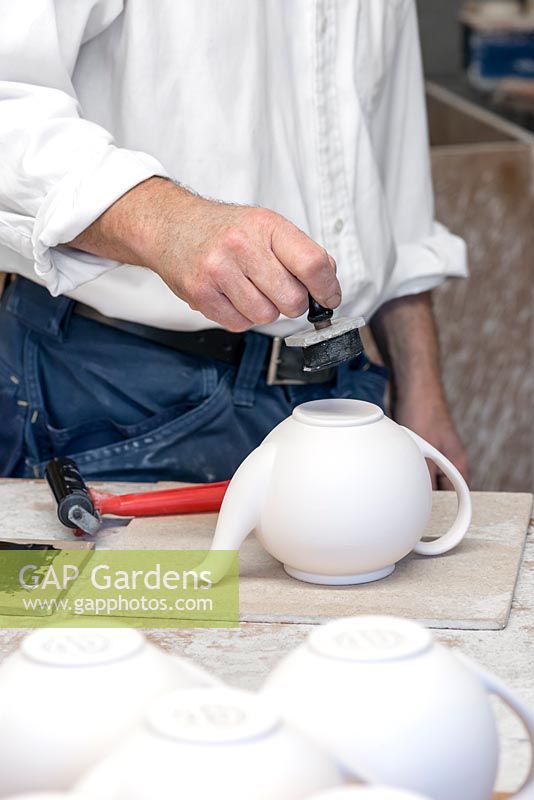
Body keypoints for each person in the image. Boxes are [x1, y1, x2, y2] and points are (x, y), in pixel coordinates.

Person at [0, 0, 469, 487]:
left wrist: (422, 389)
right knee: (138, 569)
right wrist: (173, 224)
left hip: (337, 395)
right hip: (115, 393)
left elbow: (396, 191)